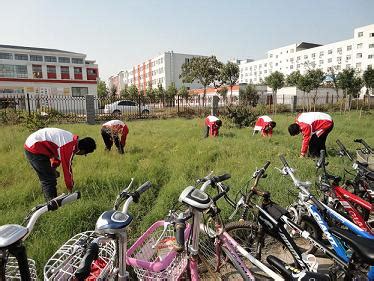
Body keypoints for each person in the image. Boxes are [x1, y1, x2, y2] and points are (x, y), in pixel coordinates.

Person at [24, 128, 96, 201]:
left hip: (35, 144)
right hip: (34, 147)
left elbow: (56, 156)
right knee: (48, 179)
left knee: (51, 175)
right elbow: (67, 170)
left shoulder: (72, 140)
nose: (84, 155)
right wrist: (70, 189)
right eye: (85, 154)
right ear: (83, 150)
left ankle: (51, 200)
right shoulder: (69, 147)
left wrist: (53, 169)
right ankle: (51, 204)